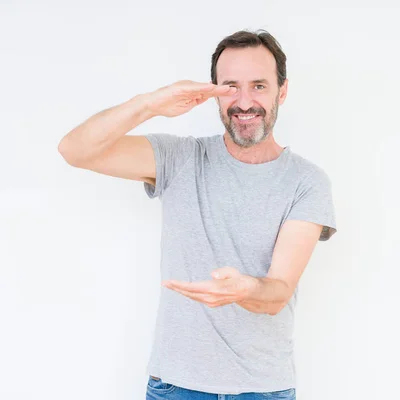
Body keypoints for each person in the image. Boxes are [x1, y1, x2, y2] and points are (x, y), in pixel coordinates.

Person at [58, 30, 337, 399]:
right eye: (230, 86)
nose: (244, 101)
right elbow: (75, 150)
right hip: (175, 386)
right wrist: (149, 104)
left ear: (281, 92)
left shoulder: (306, 182)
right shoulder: (180, 159)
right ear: (214, 92)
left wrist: (245, 289)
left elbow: (276, 293)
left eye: (258, 86)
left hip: (263, 390)